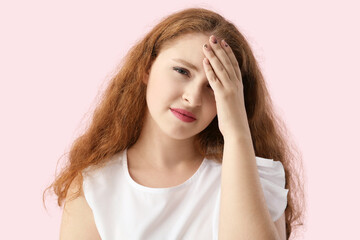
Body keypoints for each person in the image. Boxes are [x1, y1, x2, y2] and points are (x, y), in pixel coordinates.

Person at [43, 7, 305, 240]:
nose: (192, 98)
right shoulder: (95, 187)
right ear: (147, 67)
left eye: (214, 86)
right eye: (182, 71)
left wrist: (236, 132)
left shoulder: (255, 176)